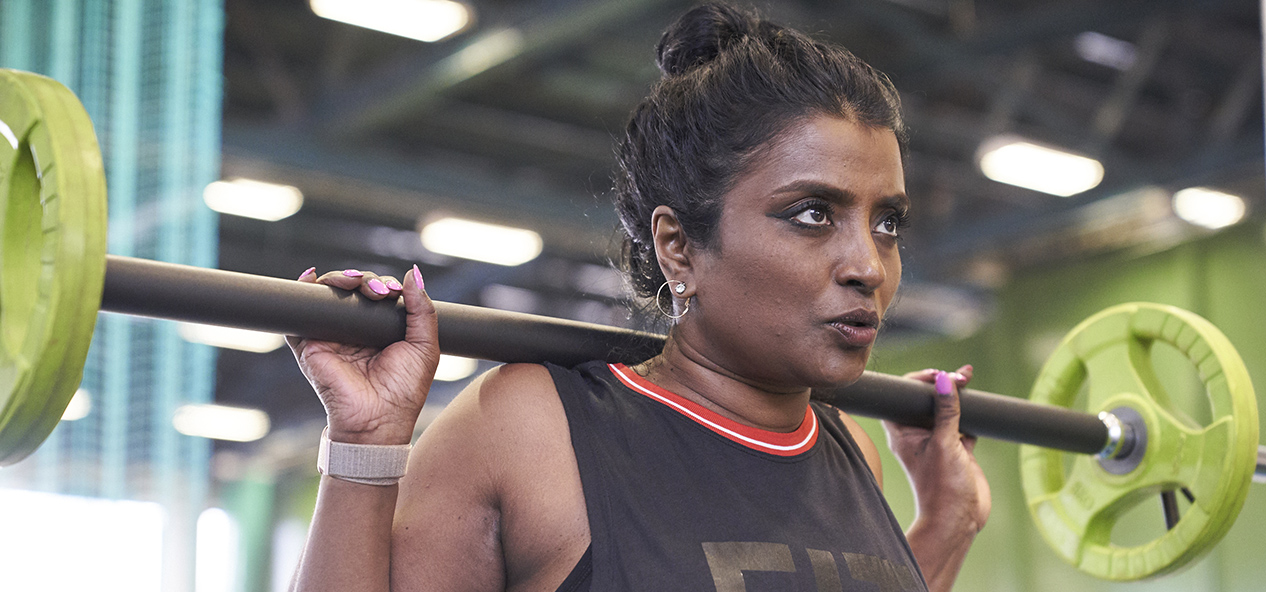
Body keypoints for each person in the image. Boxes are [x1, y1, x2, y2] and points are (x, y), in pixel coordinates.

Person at [287, 3, 990, 591]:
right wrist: (365, 444)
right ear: (679, 246)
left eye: (887, 222)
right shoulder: (533, 428)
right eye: (813, 214)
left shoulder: (848, 450)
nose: (868, 263)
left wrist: (946, 523)